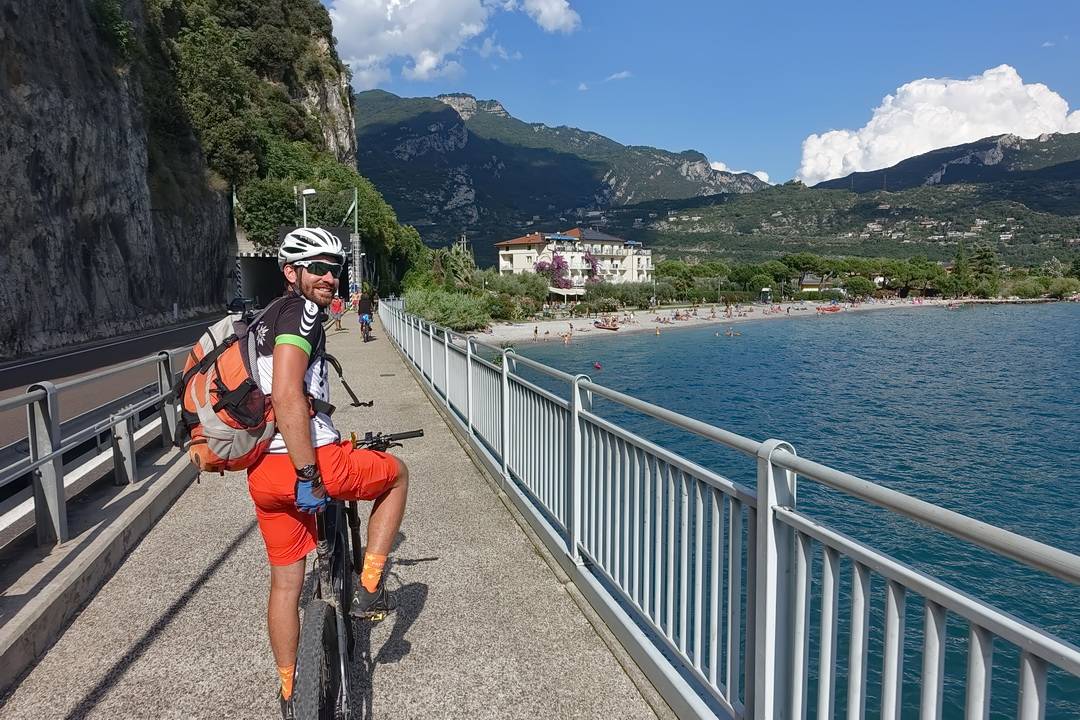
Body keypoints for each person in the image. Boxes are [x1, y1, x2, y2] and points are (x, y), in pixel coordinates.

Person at [246, 228, 409, 718]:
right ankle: (369, 584)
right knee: (398, 475)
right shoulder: (302, 313)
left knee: (285, 586)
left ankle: (290, 690)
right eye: (317, 268)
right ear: (290, 272)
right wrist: (309, 474)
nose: (329, 278)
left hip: (262, 474)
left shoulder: (263, 318)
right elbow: (288, 396)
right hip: (311, 461)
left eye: (334, 268)